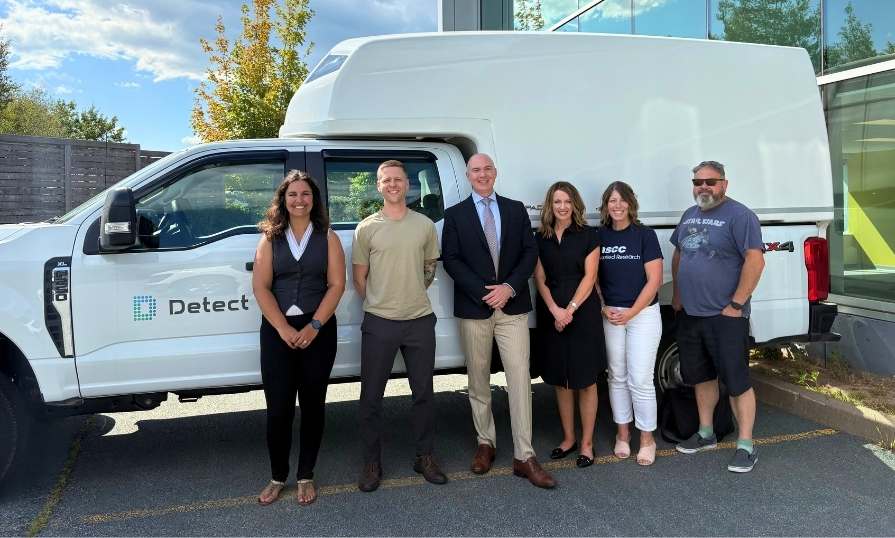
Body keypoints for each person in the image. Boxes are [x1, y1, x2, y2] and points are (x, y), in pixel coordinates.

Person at [442, 153, 555, 489]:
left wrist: (508, 287)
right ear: (468, 175)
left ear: (495, 173)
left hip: (513, 307)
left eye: (487, 169)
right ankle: (485, 443)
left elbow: (529, 253)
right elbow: (451, 259)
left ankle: (525, 455)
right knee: (477, 381)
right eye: (476, 170)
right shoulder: (456, 215)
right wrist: (484, 292)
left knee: (520, 380)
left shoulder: (514, 208)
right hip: (475, 309)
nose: (482, 174)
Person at [252, 170, 346, 506]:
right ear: (283, 199)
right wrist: (283, 328)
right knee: (278, 410)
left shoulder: (328, 237)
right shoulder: (270, 237)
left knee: (312, 406)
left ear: (314, 199)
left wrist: (314, 326)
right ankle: (278, 476)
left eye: (305, 194)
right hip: (278, 331)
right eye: (293, 194)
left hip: (317, 330)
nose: (299, 200)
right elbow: (261, 287)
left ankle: (306, 475)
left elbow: (337, 285)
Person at [352, 159, 447, 492]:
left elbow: (429, 268)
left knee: (423, 395)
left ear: (408, 184)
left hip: (419, 321)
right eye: (385, 180)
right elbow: (360, 278)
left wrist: (409, 293)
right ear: (378, 186)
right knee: (371, 398)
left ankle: (425, 457)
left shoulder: (424, 225)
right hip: (379, 323)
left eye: (398, 179)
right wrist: (382, 302)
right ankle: (371, 462)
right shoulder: (366, 228)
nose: (392, 184)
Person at [670, 160, 765, 473]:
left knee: (737, 382)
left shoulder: (740, 216)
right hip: (692, 315)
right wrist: (678, 296)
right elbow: (679, 254)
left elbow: (755, 261)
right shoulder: (689, 215)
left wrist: (736, 305)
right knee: (701, 377)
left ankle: (746, 445)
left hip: (726, 317)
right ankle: (706, 433)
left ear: (724, 183)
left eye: (710, 181)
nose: (703, 187)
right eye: (698, 182)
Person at [533, 181, 605, 469]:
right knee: (561, 381)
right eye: (557, 202)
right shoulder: (540, 238)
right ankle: (568, 439)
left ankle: (587, 444)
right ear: (549, 206)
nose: (562, 207)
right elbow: (539, 278)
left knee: (586, 381)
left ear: (575, 205)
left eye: (567, 201)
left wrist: (570, 310)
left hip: (582, 312)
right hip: (552, 313)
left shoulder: (589, 235)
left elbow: (590, 278)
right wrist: (555, 311)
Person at [596, 181, 663, 466]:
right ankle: (622, 434)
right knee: (617, 375)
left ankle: (647, 438)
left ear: (630, 204)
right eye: (612, 200)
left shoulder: (644, 235)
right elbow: (593, 276)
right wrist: (602, 305)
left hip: (642, 314)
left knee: (641, 379)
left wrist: (632, 311)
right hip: (611, 315)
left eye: (622, 200)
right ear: (605, 206)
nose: (617, 205)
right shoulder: (599, 236)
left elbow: (655, 280)